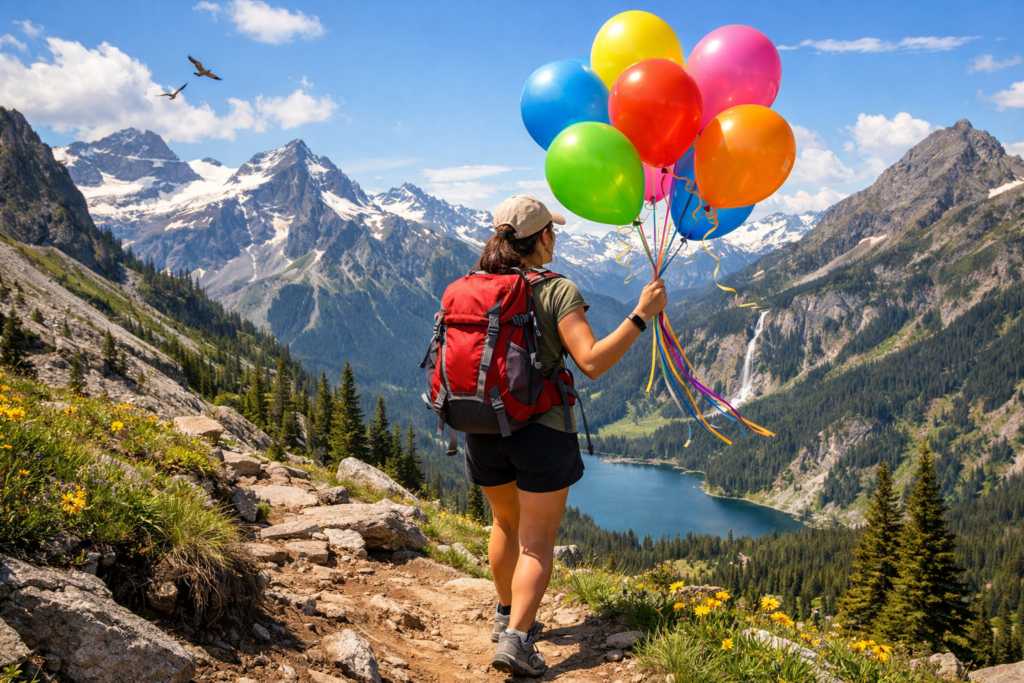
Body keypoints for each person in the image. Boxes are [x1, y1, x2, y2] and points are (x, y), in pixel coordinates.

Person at [469, 195, 668, 677]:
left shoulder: (474, 286)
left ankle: (505, 617)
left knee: (504, 524)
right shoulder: (556, 289)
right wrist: (641, 314)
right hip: (540, 430)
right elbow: (592, 361)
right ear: (541, 237)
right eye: (552, 231)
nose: (555, 238)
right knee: (537, 541)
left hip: (480, 425)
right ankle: (518, 641)